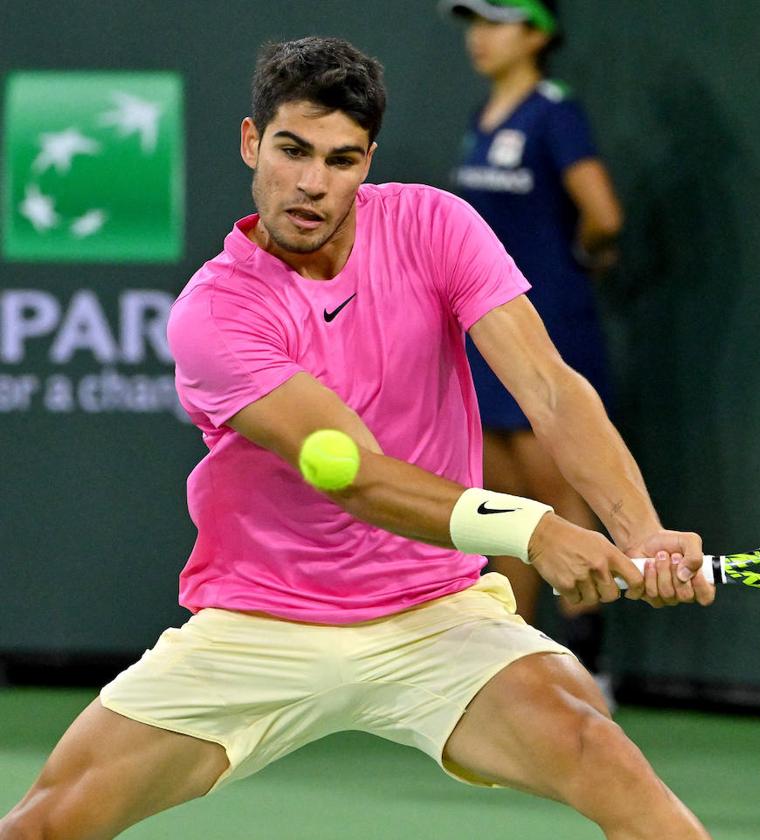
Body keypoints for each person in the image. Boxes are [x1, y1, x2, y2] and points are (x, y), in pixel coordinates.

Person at [0, 37, 713, 840]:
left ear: (368, 160)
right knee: (44, 827)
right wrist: (533, 528)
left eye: (341, 160)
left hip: (434, 613)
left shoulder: (435, 225)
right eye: (292, 150)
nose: (311, 184)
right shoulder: (217, 313)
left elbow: (549, 387)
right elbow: (354, 476)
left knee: (603, 755)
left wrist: (641, 531)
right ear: (250, 141)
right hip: (262, 621)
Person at [440, 0, 624, 679]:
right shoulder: (481, 120)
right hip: (487, 336)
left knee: (559, 490)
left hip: (551, 331)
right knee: (505, 504)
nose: (481, 38)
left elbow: (603, 214)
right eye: (474, 24)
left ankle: (588, 661)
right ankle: (513, 661)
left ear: (537, 34)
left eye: (497, 22)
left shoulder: (555, 113)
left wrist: (581, 256)